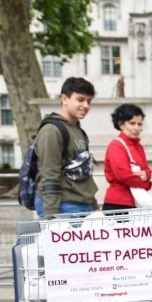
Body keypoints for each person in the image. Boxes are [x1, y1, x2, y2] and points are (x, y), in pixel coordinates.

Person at [34, 77, 98, 217]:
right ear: (64, 99)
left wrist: (93, 205)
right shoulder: (52, 130)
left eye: (89, 101)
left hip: (82, 204)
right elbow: (49, 173)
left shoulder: (77, 130)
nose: (86, 105)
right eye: (80, 100)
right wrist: (51, 216)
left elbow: (84, 172)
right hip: (63, 205)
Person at [102, 103, 152, 211]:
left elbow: (147, 170)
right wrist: (146, 183)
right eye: (132, 123)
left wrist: (147, 174)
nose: (136, 128)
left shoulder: (138, 146)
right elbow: (124, 175)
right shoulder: (116, 146)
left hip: (136, 202)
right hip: (118, 204)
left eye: (140, 124)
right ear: (121, 124)